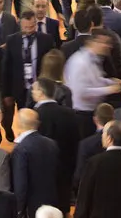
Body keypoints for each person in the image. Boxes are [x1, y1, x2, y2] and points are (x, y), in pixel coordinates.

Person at [76, 121, 121, 218]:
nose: (102, 136)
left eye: (103, 133)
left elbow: (85, 197)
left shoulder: (94, 162)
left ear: (109, 138)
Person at [32, 78, 82, 212]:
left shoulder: (34, 115)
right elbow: (76, 142)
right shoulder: (70, 113)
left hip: (41, 176)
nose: (32, 92)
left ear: (41, 92)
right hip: (66, 170)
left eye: (34, 89)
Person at [64, 32, 121, 137]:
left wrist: (111, 81)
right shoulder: (80, 62)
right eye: (105, 42)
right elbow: (81, 92)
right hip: (83, 114)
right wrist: (109, 89)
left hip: (92, 112)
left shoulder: (93, 60)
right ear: (94, 42)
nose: (108, 46)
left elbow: (94, 80)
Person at [11, 108, 61, 217]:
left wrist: (19, 209)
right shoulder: (52, 144)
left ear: (19, 123)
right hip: (53, 202)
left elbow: (21, 184)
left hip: (32, 207)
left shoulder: (21, 149)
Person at [75, 103, 116, 195]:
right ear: (113, 118)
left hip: (94, 193)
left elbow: (80, 175)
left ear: (95, 119)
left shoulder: (86, 144)